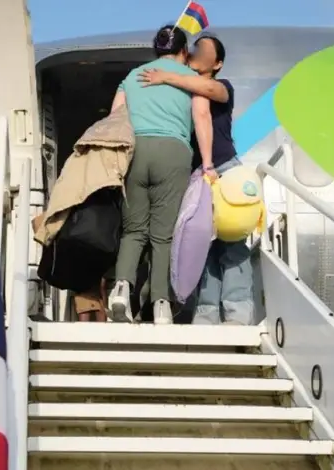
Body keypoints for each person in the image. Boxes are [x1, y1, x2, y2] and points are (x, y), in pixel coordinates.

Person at [138, 34, 254, 326]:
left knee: (232, 243)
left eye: (204, 49)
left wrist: (165, 75)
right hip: (195, 175)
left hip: (224, 169)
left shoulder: (221, 87)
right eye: (194, 48)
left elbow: (208, 88)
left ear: (218, 64)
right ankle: (206, 313)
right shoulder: (180, 91)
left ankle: (238, 312)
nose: (196, 52)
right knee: (202, 247)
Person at [107, 25, 216, 325]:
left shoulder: (132, 77)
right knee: (164, 234)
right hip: (173, 152)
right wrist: (207, 164)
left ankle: (120, 289)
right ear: (183, 51)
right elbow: (202, 116)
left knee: (133, 230)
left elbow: (115, 117)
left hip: (134, 151)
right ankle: (161, 306)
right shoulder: (191, 78)